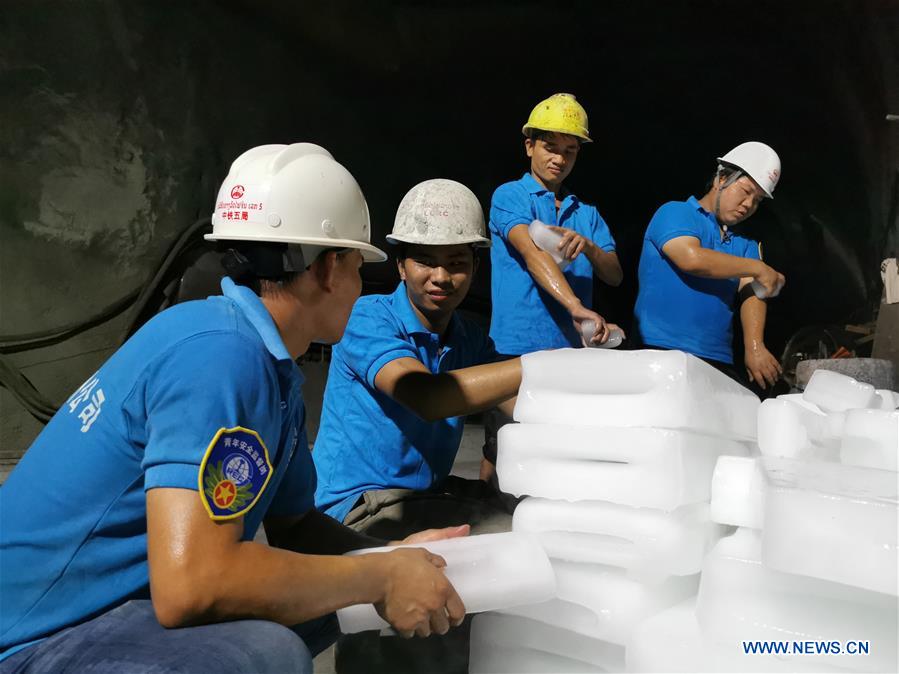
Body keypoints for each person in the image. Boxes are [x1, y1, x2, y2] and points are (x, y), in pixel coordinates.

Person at [0, 144, 470, 674]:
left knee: (332, 600)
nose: (362, 286)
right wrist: (380, 579)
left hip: (109, 609)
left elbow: (298, 530)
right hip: (30, 638)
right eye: (361, 266)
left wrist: (394, 558)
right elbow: (194, 585)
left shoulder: (267, 364)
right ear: (330, 268)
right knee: (265, 655)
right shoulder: (220, 356)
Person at [313, 179, 521, 541]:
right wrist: (544, 366)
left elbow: (519, 401)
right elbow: (427, 397)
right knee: (511, 538)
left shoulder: (469, 338)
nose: (441, 277)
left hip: (420, 497)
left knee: (530, 514)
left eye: (456, 263)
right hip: (355, 511)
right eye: (426, 261)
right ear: (401, 267)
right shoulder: (366, 318)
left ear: (474, 267)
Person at [482, 93, 624, 477]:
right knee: (503, 447)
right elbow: (533, 253)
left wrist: (591, 247)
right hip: (515, 348)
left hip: (568, 354)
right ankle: (487, 515)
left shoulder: (587, 214)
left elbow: (614, 274)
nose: (559, 159)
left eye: (570, 150)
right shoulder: (510, 195)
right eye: (550, 147)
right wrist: (576, 307)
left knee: (552, 452)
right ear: (529, 145)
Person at [633, 141, 786, 388]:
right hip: (658, 351)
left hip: (717, 361)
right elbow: (691, 259)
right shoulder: (676, 212)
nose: (749, 205)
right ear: (721, 179)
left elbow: (754, 290)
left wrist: (755, 346)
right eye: (745, 191)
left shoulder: (745, 244)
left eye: (757, 200)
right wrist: (759, 268)